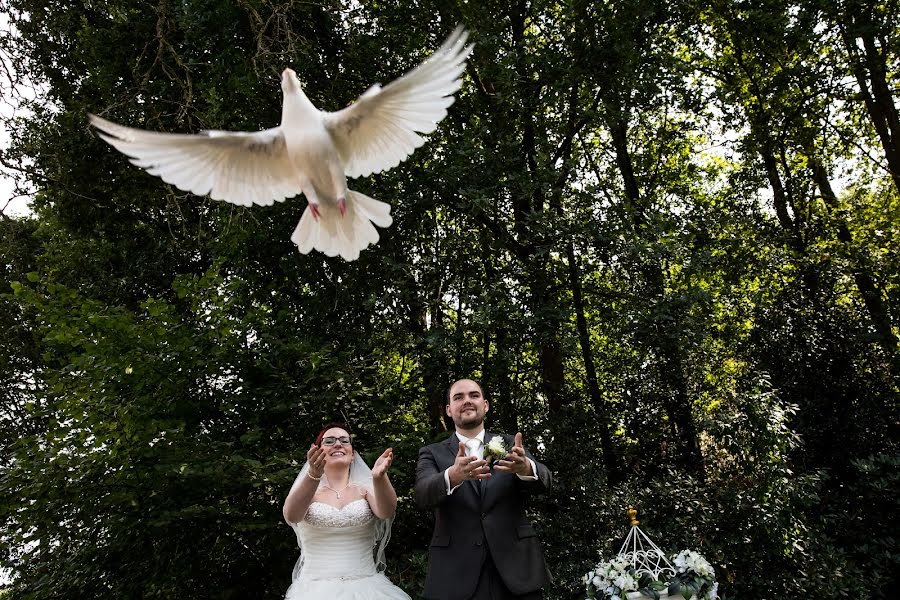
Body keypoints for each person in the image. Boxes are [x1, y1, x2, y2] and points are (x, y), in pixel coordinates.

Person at [414, 379, 553, 600]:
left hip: (516, 573)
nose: (467, 401)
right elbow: (422, 495)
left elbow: (546, 482)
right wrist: (452, 476)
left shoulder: (510, 445)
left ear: (485, 405)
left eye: (474, 395)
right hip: (456, 576)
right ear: (449, 410)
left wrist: (526, 467)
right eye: (458, 397)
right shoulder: (431, 453)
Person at [283, 423, 410, 600]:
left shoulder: (365, 490)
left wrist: (379, 478)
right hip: (314, 589)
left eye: (344, 440)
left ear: (352, 455)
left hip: (368, 588)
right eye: (329, 441)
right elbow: (292, 515)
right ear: (317, 452)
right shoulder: (308, 491)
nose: (338, 444)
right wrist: (313, 474)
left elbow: (386, 511)